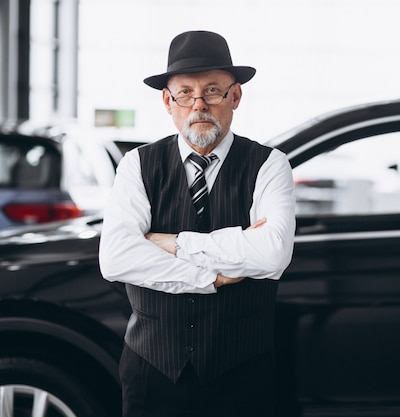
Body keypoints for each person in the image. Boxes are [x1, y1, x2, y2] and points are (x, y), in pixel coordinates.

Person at [98, 30, 296, 417]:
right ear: (167, 101)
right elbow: (117, 258)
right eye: (185, 93)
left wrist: (172, 244)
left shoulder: (269, 165)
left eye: (213, 91)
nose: (199, 105)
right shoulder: (137, 165)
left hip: (243, 373)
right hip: (152, 370)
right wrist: (212, 277)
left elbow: (272, 253)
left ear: (235, 96)